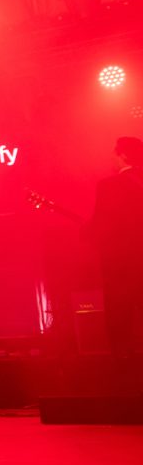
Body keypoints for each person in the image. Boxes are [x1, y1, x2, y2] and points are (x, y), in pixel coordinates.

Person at [85, 136, 143, 361]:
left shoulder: (109, 186)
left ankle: (124, 375)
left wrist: (86, 233)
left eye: (114, 152)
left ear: (124, 156)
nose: (111, 157)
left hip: (121, 266)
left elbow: (102, 225)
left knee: (120, 318)